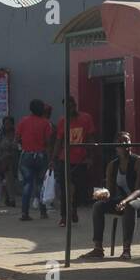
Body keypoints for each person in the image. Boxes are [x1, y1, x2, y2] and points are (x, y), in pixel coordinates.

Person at [79, 132, 140, 260]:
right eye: (120, 142)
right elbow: (111, 192)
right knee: (98, 206)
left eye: (127, 141)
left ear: (131, 144)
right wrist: (102, 194)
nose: (124, 144)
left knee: (130, 205)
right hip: (123, 200)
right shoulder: (112, 165)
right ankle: (98, 248)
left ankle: (126, 250)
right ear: (115, 146)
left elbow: (139, 190)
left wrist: (124, 201)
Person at [53, 96, 94, 226]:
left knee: (78, 188)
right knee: (65, 188)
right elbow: (58, 141)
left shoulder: (86, 118)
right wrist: (53, 158)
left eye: (72, 106)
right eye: (68, 107)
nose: (71, 109)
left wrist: (90, 157)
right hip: (64, 159)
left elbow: (91, 138)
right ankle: (64, 216)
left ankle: (74, 209)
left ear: (75, 105)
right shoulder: (62, 121)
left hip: (80, 160)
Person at [15, 99, 52, 222]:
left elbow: (17, 138)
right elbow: (48, 142)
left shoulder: (23, 121)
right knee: (41, 184)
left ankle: (25, 213)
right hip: (41, 155)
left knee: (27, 184)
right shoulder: (46, 123)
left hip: (27, 155)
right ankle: (43, 212)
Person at [0, 115, 19, 207]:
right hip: (4, 160)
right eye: (5, 123)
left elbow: (20, 146)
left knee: (11, 180)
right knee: (8, 180)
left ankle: (8, 198)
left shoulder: (16, 134)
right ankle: (12, 199)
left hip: (15, 159)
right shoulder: (0, 135)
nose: (7, 125)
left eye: (9, 123)